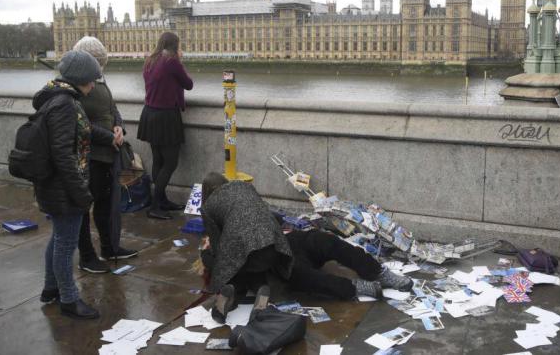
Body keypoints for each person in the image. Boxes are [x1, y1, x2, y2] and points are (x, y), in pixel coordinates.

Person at [198, 172, 413, 323]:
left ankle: (378, 272)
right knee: (305, 276)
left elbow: (222, 252)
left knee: (326, 242)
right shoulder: (244, 188)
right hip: (277, 254)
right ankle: (356, 287)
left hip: (284, 244)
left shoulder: (210, 210)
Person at [36, 50, 116, 319]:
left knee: (58, 237)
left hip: (59, 186)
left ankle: (50, 289)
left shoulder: (62, 98)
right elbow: (62, 154)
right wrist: (81, 193)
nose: (94, 84)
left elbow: (85, 130)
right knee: (65, 244)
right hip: (64, 187)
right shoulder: (64, 104)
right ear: (80, 78)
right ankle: (69, 299)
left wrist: (108, 136)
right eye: (91, 79)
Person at [73, 37, 138, 273]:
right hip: (90, 156)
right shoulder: (75, 87)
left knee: (105, 205)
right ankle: (87, 256)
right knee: (84, 208)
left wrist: (119, 126)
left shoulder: (99, 79)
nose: (100, 69)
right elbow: (80, 124)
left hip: (108, 154)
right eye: (97, 63)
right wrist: (108, 136)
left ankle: (109, 247)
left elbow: (112, 109)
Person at [137, 32, 193, 220]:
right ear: (175, 45)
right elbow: (188, 84)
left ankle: (162, 201)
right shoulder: (172, 62)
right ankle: (154, 206)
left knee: (158, 160)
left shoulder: (150, 60)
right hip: (166, 116)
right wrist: (180, 61)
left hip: (149, 113)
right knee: (170, 162)